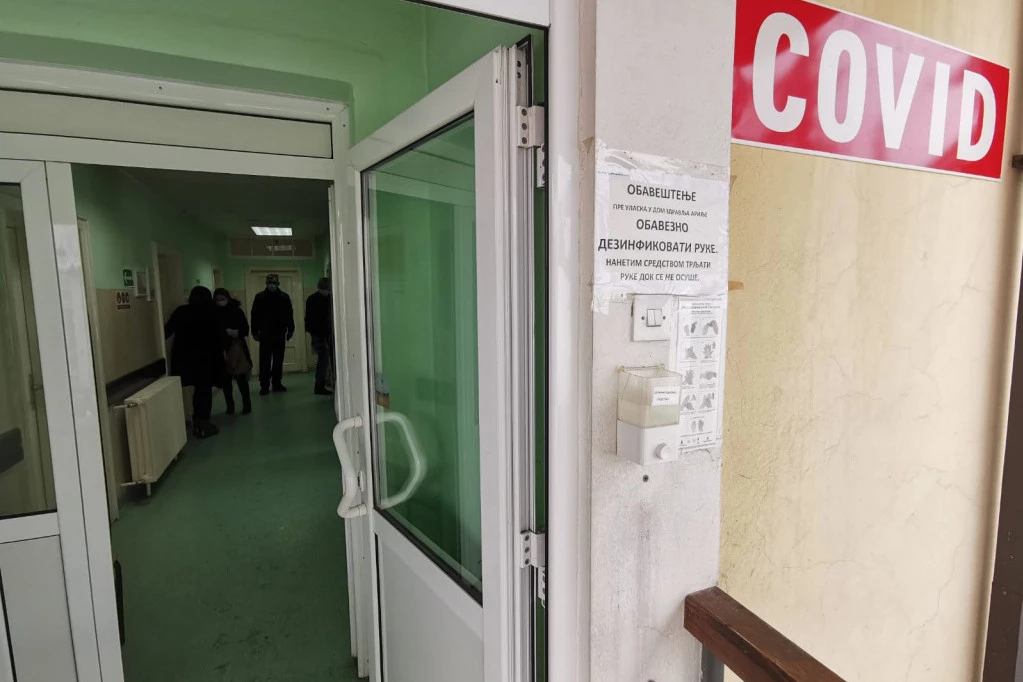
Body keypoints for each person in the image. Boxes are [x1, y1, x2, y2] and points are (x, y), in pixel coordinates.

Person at [165, 286, 224, 439]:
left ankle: (195, 422)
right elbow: (220, 337)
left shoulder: (181, 312)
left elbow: (166, 331)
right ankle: (203, 423)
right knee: (204, 391)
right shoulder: (213, 312)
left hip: (186, 360)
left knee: (194, 390)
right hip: (207, 359)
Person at [250, 273, 294, 395]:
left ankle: (277, 383)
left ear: (278, 283)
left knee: (278, 361)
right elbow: (254, 315)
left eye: (274, 282)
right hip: (265, 334)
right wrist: (254, 331)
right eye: (270, 282)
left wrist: (291, 329)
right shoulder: (260, 297)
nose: (272, 285)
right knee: (264, 361)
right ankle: (264, 385)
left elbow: (289, 314)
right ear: (266, 283)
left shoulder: (284, 297)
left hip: (280, 333)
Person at [214, 287, 253, 415]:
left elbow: (245, 330)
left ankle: (247, 405)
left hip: (236, 347)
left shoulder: (236, 311)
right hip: (220, 349)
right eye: (217, 299)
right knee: (226, 381)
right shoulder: (213, 313)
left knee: (241, 378)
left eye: (222, 299)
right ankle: (230, 406)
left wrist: (234, 332)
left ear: (228, 298)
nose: (220, 301)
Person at [305, 277, 333, 396]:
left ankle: (322, 385)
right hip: (320, 335)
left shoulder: (314, 299)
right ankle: (320, 386)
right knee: (323, 361)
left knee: (324, 361)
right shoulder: (324, 299)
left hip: (322, 334)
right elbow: (311, 320)